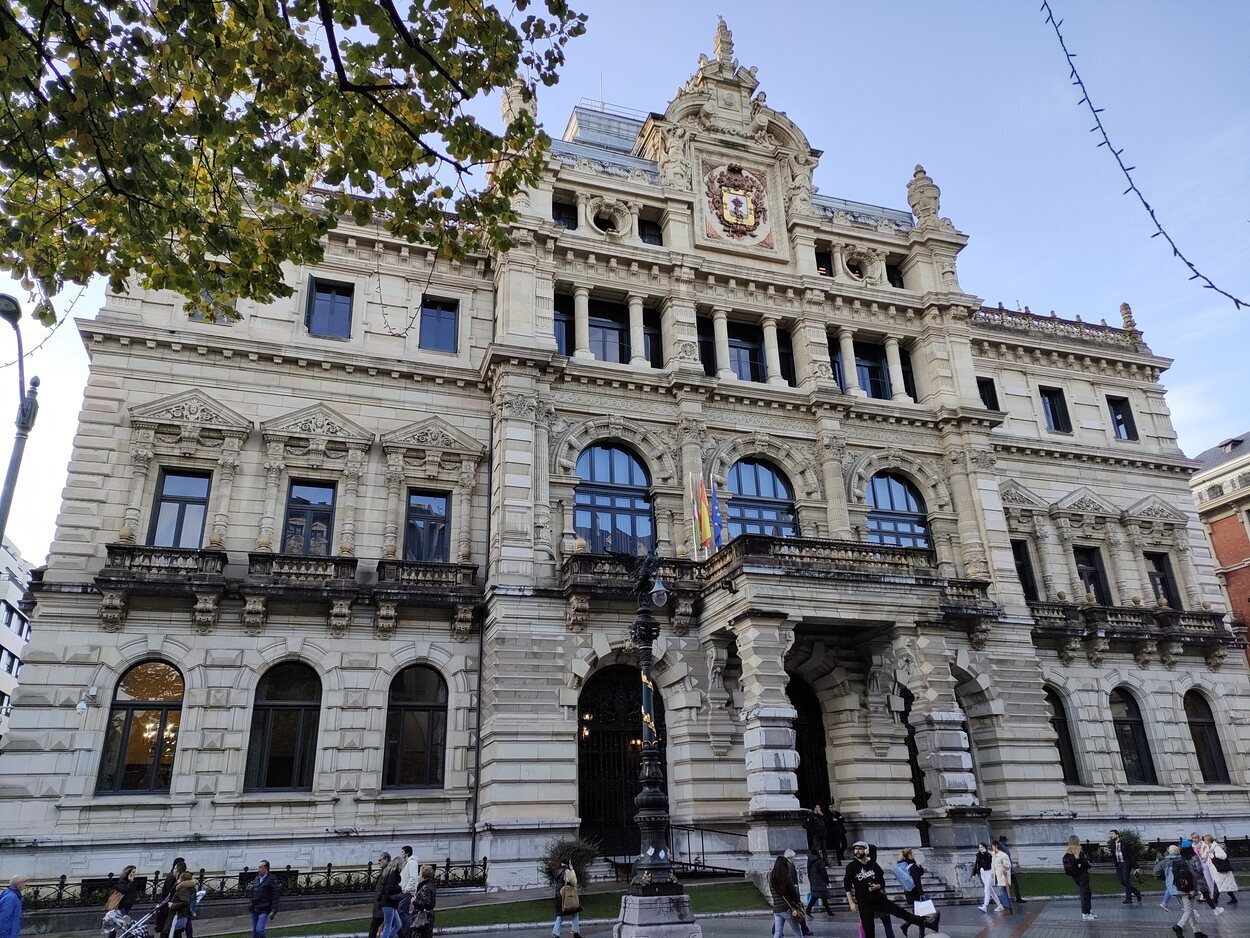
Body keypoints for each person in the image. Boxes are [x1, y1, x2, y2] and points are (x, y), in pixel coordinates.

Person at [844, 841, 938, 938]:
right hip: (864, 903)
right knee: (869, 930)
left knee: (901, 913)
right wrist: (851, 902)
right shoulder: (851, 867)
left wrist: (878, 886)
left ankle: (929, 924)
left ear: (866, 850)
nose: (857, 851)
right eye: (856, 849)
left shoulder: (873, 865)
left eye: (860, 849)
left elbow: (882, 882)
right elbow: (847, 885)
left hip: (879, 899)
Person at [1168, 845, 1209, 938]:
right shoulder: (1185, 862)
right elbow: (1192, 876)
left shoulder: (1173, 862)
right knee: (1189, 910)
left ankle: (1197, 931)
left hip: (1177, 888)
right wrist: (1193, 889)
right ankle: (1179, 926)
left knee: (1189, 909)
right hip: (1187, 890)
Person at [769, 854, 806, 938]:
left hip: (776, 908)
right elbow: (793, 893)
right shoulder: (786, 878)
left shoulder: (771, 877)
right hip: (787, 909)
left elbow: (772, 892)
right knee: (797, 932)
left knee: (778, 932)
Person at [153, 858, 187, 938]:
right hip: (170, 909)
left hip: (172, 909)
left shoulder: (180, 883)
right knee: (170, 931)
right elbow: (169, 894)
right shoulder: (173, 879)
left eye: (175, 869)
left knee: (172, 931)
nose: (173, 870)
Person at [1064, 836, 1095, 921]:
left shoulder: (1068, 852)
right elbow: (1085, 862)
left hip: (1075, 875)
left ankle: (1088, 910)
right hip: (1083, 874)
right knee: (1085, 893)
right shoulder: (1079, 851)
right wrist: (1088, 865)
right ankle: (1085, 913)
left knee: (1087, 892)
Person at [105, 866, 141, 938]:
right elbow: (124, 890)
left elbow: (132, 892)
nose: (134, 874)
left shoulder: (131, 881)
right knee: (119, 923)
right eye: (133, 872)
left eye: (135, 873)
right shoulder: (122, 881)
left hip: (127, 906)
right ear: (128, 872)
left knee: (119, 923)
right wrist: (130, 882)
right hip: (121, 906)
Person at [1109, 829, 1142, 904]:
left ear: (1117, 835)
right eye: (1110, 834)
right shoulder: (1112, 843)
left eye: (1112, 834)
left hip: (1125, 863)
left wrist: (1136, 866)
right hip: (1118, 864)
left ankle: (1129, 898)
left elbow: (1130, 854)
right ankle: (1136, 892)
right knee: (1122, 881)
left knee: (1126, 880)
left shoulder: (1124, 843)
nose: (1111, 835)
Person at [1203, 835, 1238, 906]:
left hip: (1220, 869)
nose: (1204, 841)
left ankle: (1215, 899)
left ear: (1209, 840)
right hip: (1216, 869)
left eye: (1205, 840)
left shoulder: (1216, 847)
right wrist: (1206, 854)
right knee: (1224, 885)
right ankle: (1233, 898)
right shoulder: (1208, 847)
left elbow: (1223, 855)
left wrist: (1214, 854)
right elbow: (1204, 856)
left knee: (1218, 884)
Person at [550, 860, 582, 938]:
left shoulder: (558, 871)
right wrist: (572, 869)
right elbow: (574, 881)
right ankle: (576, 933)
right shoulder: (567, 871)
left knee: (560, 915)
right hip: (567, 896)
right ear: (568, 863)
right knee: (575, 912)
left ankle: (555, 933)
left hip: (559, 896)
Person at [249, 860, 280, 938]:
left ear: (266, 868)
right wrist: (250, 903)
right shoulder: (257, 878)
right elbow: (252, 892)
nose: (258, 869)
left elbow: (275, 895)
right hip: (254, 908)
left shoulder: (272, 879)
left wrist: (273, 910)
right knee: (255, 932)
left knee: (259, 930)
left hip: (264, 909)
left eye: (260, 867)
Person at [368, 853, 393, 938]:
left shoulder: (389, 873)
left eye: (380, 860)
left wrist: (380, 901)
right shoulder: (384, 873)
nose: (379, 862)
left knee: (375, 928)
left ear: (386, 860)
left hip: (382, 906)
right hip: (380, 906)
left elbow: (386, 890)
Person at [378, 856, 404, 938]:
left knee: (398, 924)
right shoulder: (394, 873)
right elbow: (390, 888)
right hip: (389, 902)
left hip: (389, 902)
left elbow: (384, 888)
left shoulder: (388, 872)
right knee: (388, 926)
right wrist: (400, 888)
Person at [973, 843, 1003, 912]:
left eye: (982, 847)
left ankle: (985, 906)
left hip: (989, 872)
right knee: (991, 891)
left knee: (986, 890)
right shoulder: (978, 855)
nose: (980, 849)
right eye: (979, 847)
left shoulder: (989, 855)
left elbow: (990, 862)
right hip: (982, 873)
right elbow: (976, 864)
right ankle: (999, 905)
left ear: (985, 847)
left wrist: (986, 853)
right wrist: (974, 874)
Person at [169, 870, 198, 938]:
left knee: (180, 930)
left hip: (182, 913)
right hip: (183, 913)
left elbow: (187, 902)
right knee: (183, 930)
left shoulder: (184, 889)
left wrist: (173, 905)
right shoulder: (189, 888)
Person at [996, 835, 1025, 903]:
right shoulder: (1004, 848)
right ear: (1004, 841)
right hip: (1007, 869)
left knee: (1005, 886)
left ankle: (1006, 900)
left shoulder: (999, 848)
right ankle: (1016, 899)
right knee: (1014, 884)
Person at [410, 865, 436, 938]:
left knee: (420, 934)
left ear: (423, 875)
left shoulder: (425, 887)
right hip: (428, 916)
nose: (418, 876)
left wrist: (414, 901)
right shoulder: (430, 885)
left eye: (419, 874)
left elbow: (426, 903)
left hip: (422, 917)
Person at [804, 853, 834, 917]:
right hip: (820, 881)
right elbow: (823, 872)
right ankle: (808, 909)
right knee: (817, 896)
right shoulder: (819, 861)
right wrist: (827, 880)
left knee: (822, 897)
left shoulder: (810, 861)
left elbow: (808, 871)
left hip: (813, 880)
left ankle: (829, 911)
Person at [990, 840, 1013, 915]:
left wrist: (1004, 865)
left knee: (1004, 892)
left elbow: (1008, 864)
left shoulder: (1003, 855)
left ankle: (1007, 907)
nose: (992, 847)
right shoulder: (994, 855)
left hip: (1004, 875)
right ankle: (1009, 906)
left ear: (996, 846)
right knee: (1004, 892)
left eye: (993, 846)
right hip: (998, 876)